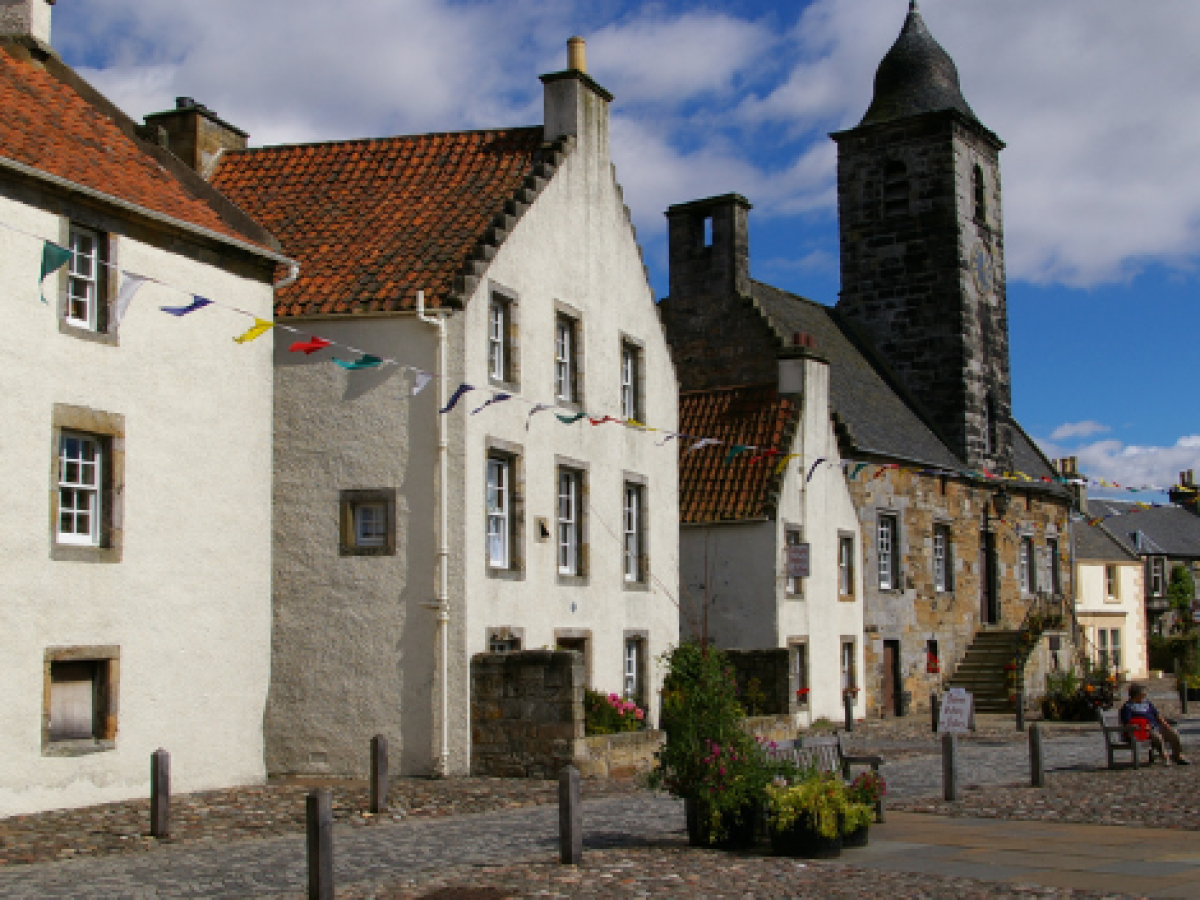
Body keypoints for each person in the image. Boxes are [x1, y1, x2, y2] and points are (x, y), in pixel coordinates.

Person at [1120, 683, 1190, 765]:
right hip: (1141, 731)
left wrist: (1166, 725)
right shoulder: (1127, 707)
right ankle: (1164, 756)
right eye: (1143, 694)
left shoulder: (1147, 703)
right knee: (1157, 736)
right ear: (1136, 695)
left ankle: (1178, 756)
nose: (1145, 695)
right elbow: (1128, 723)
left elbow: (1157, 716)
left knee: (1174, 734)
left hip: (1155, 727)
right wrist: (1142, 727)